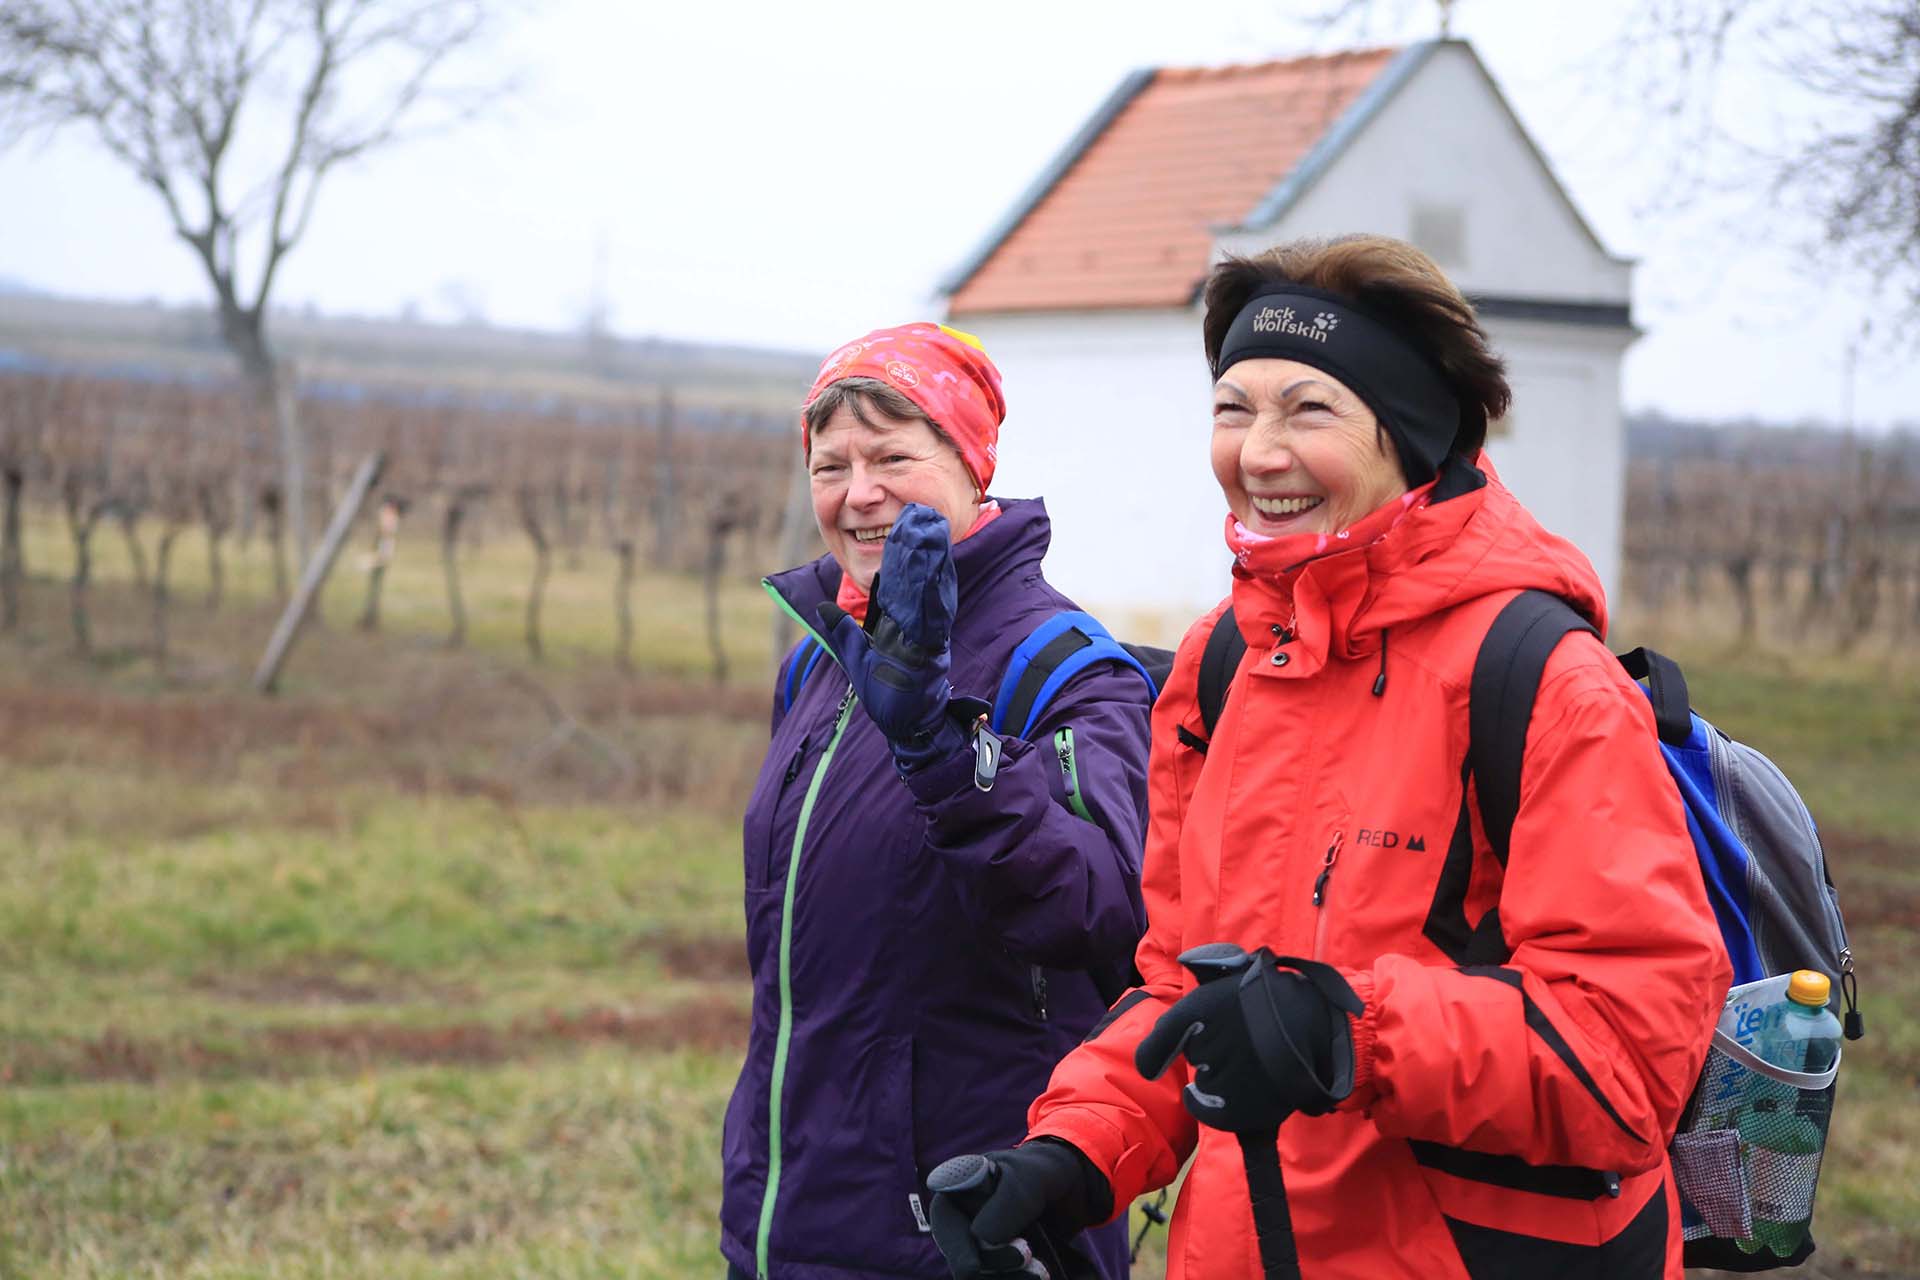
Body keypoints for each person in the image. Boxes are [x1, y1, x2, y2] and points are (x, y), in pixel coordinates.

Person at [928, 237, 1733, 1279]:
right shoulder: (1224, 665)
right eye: (1233, 407)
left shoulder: (1542, 681)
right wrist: (1073, 1151)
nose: (1259, 452)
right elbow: (1185, 986)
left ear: (1410, 436)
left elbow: (1630, 1058)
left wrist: (1349, 1031)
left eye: (1309, 410)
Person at [720, 322, 1152, 1280]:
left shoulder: (1067, 668)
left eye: (892, 456)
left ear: (971, 465)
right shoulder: (819, 662)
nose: (858, 492)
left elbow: (1104, 909)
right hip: (789, 1213)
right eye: (829, 465)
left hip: (970, 1227)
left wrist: (944, 753)